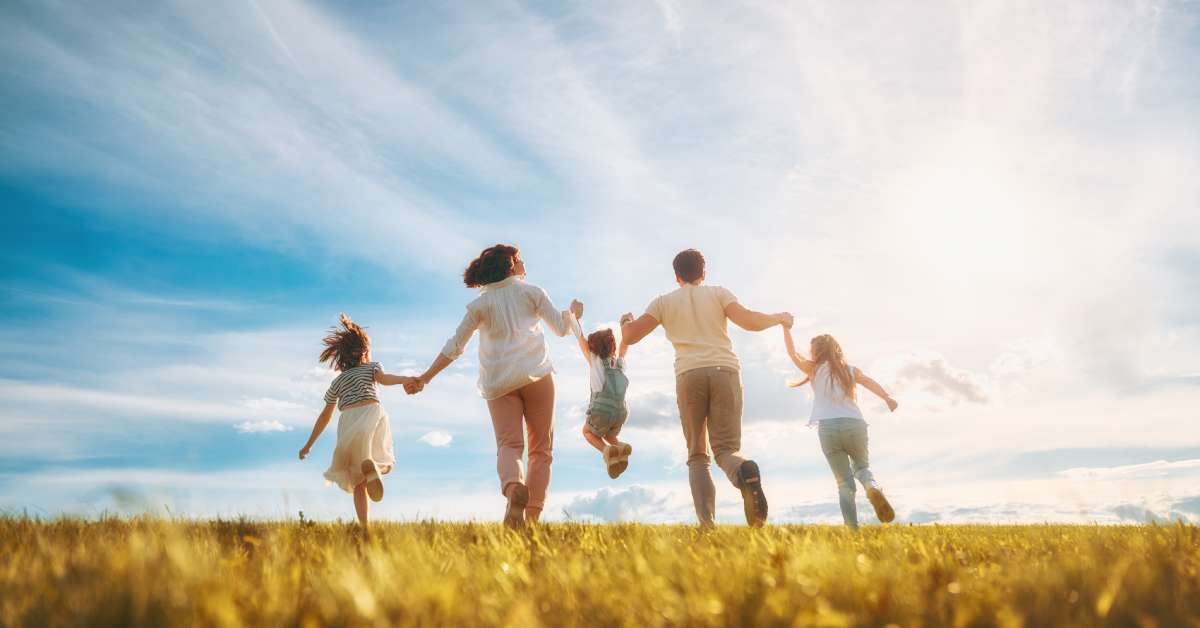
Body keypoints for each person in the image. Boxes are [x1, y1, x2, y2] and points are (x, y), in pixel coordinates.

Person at [407, 244, 581, 529]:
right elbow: (562, 330)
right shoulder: (532, 292)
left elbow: (454, 347)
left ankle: (514, 490)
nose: (524, 263)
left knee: (509, 445)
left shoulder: (479, 305)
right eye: (520, 259)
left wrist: (425, 378)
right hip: (537, 376)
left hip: (499, 382)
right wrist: (573, 313)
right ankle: (532, 521)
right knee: (541, 450)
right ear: (511, 266)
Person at [620, 248, 792, 527]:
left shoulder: (664, 302)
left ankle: (707, 524)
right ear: (704, 273)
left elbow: (630, 336)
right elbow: (748, 320)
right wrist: (778, 318)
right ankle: (742, 470)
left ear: (677, 276)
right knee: (726, 449)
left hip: (689, 376)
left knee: (698, 454)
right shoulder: (719, 293)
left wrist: (625, 321)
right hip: (725, 371)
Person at [298, 314, 420, 527]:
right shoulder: (372, 367)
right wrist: (405, 379)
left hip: (348, 425)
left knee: (357, 483)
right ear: (365, 352)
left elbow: (325, 416)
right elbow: (385, 379)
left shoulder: (338, 381)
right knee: (386, 460)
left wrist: (308, 445)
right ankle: (375, 470)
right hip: (371, 415)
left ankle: (364, 526)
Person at [781, 324, 898, 530]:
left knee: (844, 484)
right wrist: (887, 398)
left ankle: (852, 531)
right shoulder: (850, 370)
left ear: (816, 351)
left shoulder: (813, 369)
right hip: (854, 424)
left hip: (828, 430)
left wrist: (785, 327)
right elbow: (868, 381)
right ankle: (872, 487)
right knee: (862, 468)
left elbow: (792, 353)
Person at [569, 312, 634, 479]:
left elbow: (580, 337)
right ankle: (620, 446)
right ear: (612, 348)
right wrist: (625, 323)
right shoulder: (618, 364)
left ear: (593, 348)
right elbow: (624, 346)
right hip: (621, 411)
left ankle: (606, 451)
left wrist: (572, 316)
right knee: (608, 434)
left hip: (601, 410)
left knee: (587, 432)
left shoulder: (595, 361)